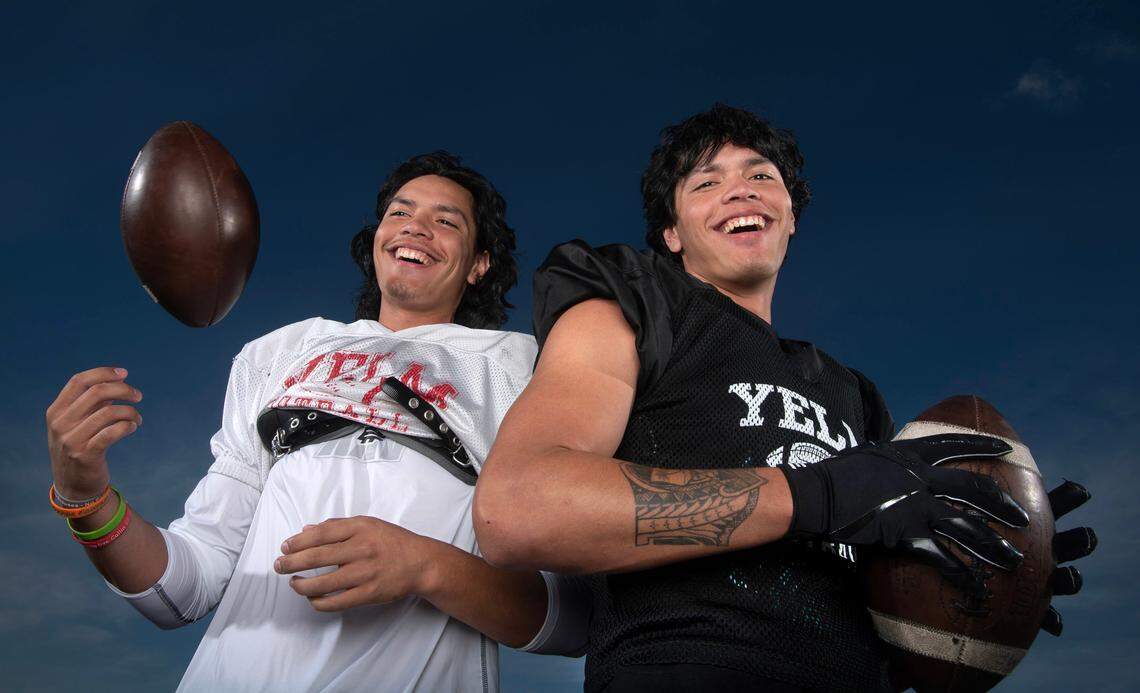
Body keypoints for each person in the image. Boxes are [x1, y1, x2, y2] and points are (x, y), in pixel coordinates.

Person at [474, 105, 1097, 691]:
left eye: (760, 175)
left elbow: (864, 610)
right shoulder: (639, 306)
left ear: (791, 214)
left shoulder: (853, 393)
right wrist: (815, 495)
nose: (740, 190)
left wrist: (974, 592)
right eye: (705, 182)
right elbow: (521, 508)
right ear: (671, 232)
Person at [46, 152, 550, 692]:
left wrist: (428, 567)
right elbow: (184, 587)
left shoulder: (520, 366)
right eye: (399, 213)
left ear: (478, 263)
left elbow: (567, 618)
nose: (417, 228)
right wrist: (87, 499)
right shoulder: (280, 353)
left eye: (447, 221)